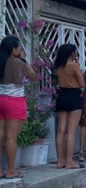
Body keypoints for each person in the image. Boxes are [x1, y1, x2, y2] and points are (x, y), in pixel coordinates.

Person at [0, 36, 36, 179]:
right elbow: (32, 75)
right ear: (13, 49)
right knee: (11, 138)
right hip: (14, 101)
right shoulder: (18, 63)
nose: (20, 50)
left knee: (0, 136)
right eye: (19, 47)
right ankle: (10, 170)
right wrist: (23, 59)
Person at [54, 43, 85, 169]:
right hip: (73, 96)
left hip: (62, 96)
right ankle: (69, 161)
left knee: (61, 131)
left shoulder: (58, 66)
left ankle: (59, 160)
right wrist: (77, 65)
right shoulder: (74, 66)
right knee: (71, 131)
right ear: (72, 53)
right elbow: (82, 83)